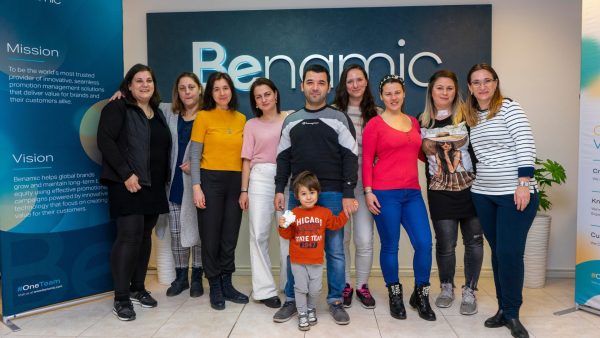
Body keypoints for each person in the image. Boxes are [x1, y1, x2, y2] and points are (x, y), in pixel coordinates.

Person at [273, 64, 358, 325]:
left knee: (334, 250)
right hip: (296, 196)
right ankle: (291, 299)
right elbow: (283, 158)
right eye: (310, 82)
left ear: (328, 87)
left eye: (321, 82)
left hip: (333, 194)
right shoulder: (291, 120)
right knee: (292, 248)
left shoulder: (340, 118)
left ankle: (335, 300)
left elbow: (350, 157)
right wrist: (279, 189)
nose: (315, 87)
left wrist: (348, 192)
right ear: (302, 86)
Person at [457, 63, 538, 338]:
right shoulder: (471, 116)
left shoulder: (509, 108)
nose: (482, 86)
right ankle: (503, 309)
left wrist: (524, 184)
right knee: (498, 253)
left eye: (487, 81)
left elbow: (525, 143)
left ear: (495, 83)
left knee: (510, 254)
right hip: (483, 194)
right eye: (476, 82)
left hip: (513, 193)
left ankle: (513, 314)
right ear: (470, 87)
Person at [97, 63, 170, 321]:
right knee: (128, 237)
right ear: (129, 85)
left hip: (153, 186)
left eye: (148, 80)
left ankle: (138, 288)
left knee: (145, 236)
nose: (144, 85)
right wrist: (126, 174)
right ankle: (121, 297)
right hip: (126, 183)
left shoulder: (158, 112)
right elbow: (105, 140)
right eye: (138, 81)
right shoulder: (117, 107)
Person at [362, 74, 436, 321]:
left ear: (404, 94)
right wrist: (368, 191)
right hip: (384, 193)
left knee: (424, 243)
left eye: (397, 92)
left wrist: (433, 149)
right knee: (390, 246)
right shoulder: (374, 124)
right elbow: (366, 161)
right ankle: (395, 294)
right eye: (388, 93)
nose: (393, 97)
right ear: (382, 97)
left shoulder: (414, 122)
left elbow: (418, 154)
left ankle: (421, 294)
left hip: (412, 193)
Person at [419, 70, 483, 315]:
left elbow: (478, 153)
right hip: (440, 191)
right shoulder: (422, 121)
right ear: (431, 92)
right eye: (439, 88)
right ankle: (446, 287)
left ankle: (470, 290)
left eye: (449, 88)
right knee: (445, 244)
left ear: (456, 91)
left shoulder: (469, 117)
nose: (444, 93)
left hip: (472, 189)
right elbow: (419, 155)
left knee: (474, 242)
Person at [189, 71, 248, 310]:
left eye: (225, 88)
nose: (222, 93)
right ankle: (213, 283)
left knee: (229, 236)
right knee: (210, 235)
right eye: (216, 89)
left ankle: (227, 282)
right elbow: (194, 155)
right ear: (210, 93)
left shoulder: (242, 119)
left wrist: (245, 188)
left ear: (231, 90)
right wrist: (196, 187)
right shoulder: (203, 117)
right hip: (209, 180)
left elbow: (246, 156)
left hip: (235, 182)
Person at [332, 64, 380, 309]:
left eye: (359, 80)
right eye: (349, 81)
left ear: (366, 82)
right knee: (341, 239)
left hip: (366, 185)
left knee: (363, 239)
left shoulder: (377, 113)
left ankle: (362, 285)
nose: (355, 85)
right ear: (344, 84)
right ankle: (345, 285)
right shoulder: (333, 112)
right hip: (339, 184)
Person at [278, 171, 351, 331]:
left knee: (315, 289)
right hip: (298, 261)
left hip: (316, 261)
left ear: (318, 193)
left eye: (312, 192)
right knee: (301, 288)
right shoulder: (293, 213)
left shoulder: (324, 212)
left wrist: (346, 213)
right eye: (304, 193)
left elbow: (335, 224)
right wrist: (283, 225)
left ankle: (311, 309)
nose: (309, 197)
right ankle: (302, 313)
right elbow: (286, 235)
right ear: (297, 195)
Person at [239, 77, 287, 308]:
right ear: (255, 102)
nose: (264, 99)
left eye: (267, 94)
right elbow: (246, 161)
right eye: (258, 96)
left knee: (289, 234)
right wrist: (244, 190)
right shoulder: (251, 125)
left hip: (287, 179)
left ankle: (290, 285)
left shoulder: (290, 119)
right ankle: (265, 290)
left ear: (275, 94)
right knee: (258, 235)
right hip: (260, 179)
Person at [160, 72, 204, 298]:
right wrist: (122, 91)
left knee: (197, 234)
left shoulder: (208, 116)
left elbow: (216, 150)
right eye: (182, 88)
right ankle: (180, 278)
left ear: (199, 89)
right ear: (177, 92)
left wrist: (198, 164)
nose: (187, 92)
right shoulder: (169, 112)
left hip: (198, 184)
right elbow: (142, 99)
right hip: (175, 183)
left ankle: (197, 277)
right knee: (177, 233)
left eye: (191, 87)